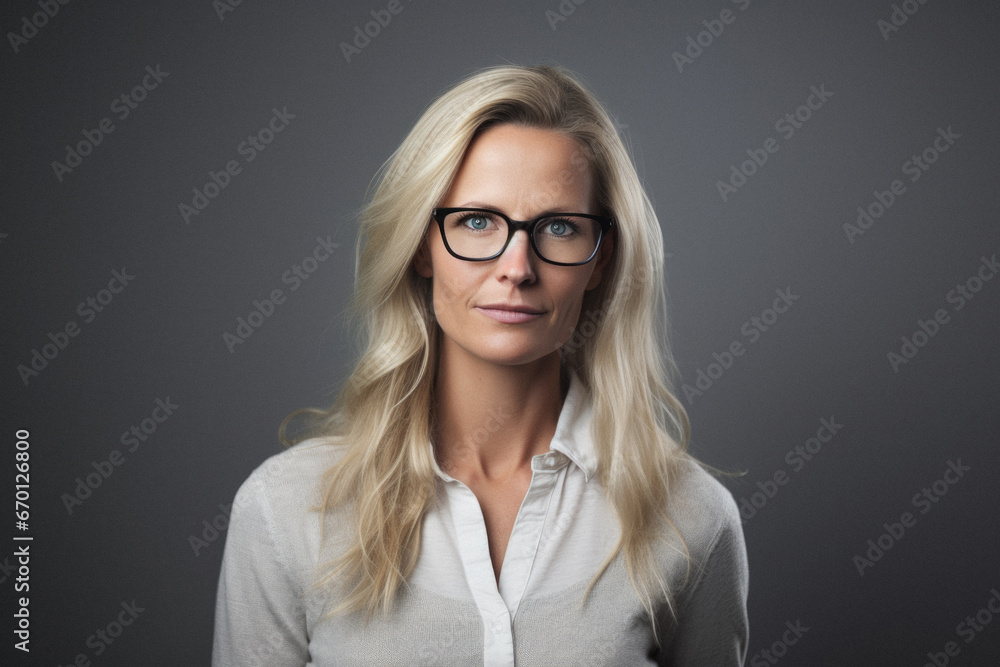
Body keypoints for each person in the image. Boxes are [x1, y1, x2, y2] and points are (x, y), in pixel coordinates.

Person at [212, 64, 748, 667]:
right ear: (421, 245)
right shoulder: (287, 510)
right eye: (475, 221)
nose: (517, 267)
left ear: (600, 261)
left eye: (560, 227)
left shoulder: (691, 519)